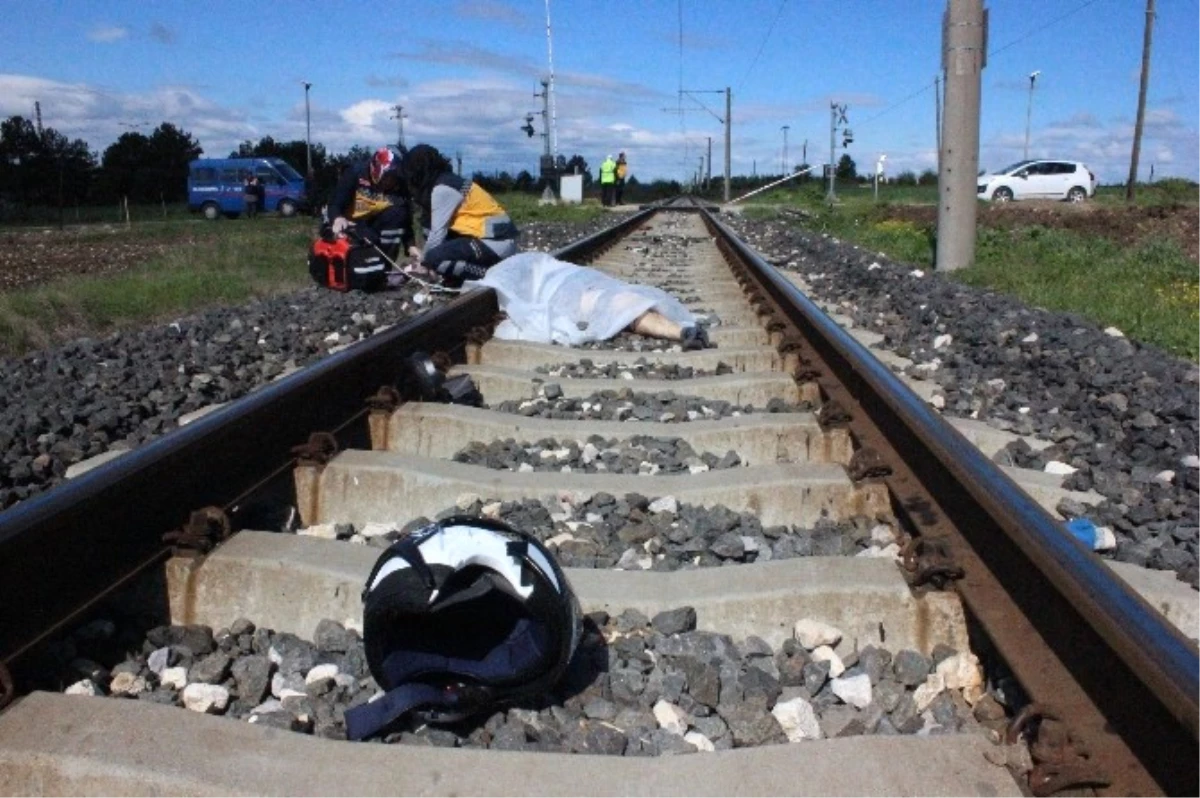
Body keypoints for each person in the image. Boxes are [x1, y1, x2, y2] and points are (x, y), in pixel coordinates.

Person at [470, 251, 710, 350]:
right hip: (576, 285)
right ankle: (680, 331)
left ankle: (679, 331)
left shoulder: (512, 273)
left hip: (571, 286)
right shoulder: (527, 265)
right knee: (615, 301)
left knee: (614, 303)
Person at [403, 144, 519, 287]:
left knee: (434, 258)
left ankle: (491, 274)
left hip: (495, 243)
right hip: (497, 240)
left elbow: (437, 235)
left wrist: (423, 264)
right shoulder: (450, 181)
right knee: (437, 256)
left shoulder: (442, 189)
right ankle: (462, 277)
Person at [324, 146, 413, 262]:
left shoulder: (399, 187)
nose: (391, 181)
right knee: (367, 237)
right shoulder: (355, 173)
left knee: (398, 213)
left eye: (395, 177)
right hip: (346, 223)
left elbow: (405, 219)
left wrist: (410, 246)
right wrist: (337, 218)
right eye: (389, 176)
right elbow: (335, 203)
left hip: (370, 223)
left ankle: (385, 264)